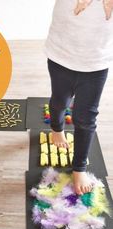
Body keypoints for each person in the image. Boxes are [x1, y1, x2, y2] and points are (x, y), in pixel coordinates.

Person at [45, 0, 113, 195]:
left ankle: (79, 168)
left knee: (85, 118)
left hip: (95, 62)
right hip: (61, 55)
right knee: (60, 101)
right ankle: (57, 129)